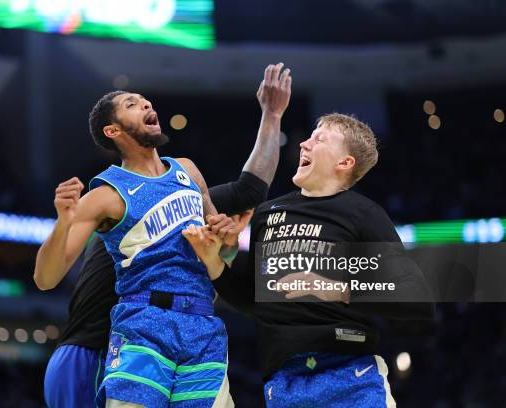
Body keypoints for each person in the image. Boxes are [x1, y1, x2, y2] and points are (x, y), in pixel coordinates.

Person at [35, 63, 292, 408]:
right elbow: (45, 278)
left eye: (145, 101)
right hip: (143, 323)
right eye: (131, 104)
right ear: (112, 131)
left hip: (203, 323)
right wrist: (62, 223)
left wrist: (227, 241)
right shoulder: (104, 194)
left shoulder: (187, 170)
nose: (145, 105)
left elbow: (219, 251)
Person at [183, 113, 435, 407]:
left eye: (320, 139)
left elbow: (417, 298)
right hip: (284, 379)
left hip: (351, 374)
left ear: (345, 163)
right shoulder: (268, 213)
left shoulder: (363, 214)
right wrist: (214, 261)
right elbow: (255, 302)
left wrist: (334, 288)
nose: (304, 143)